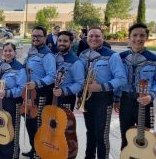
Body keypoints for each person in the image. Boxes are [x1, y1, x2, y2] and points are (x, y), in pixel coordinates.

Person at [79, 27, 126, 159]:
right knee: (90, 133)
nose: (94, 39)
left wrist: (101, 87)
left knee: (101, 135)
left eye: (97, 36)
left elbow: (121, 79)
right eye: (91, 36)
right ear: (86, 38)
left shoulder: (112, 55)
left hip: (103, 99)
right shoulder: (83, 55)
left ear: (103, 38)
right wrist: (79, 96)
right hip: (87, 99)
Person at [116, 23, 155, 150]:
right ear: (129, 37)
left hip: (145, 101)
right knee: (125, 136)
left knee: (147, 138)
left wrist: (151, 96)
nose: (138, 38)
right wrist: (116, 99)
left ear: (147, 38)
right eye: (135, 35)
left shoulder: (153, 59)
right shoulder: (120, 58)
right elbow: (116, 79)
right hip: (125, 100)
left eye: (142, 35)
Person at [22, 26, 56, 158]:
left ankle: (39, 153)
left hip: (41, 93)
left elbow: (51, 75)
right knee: (29, 123)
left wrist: (36, 83)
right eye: (34, 36)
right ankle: (34, 148)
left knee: (38, 125)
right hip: (29, 94)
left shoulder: (48, 55)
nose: (35, 38)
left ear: (45, 37)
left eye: (39, 36)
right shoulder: (32, 52)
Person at [0, 42, 26, 159]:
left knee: (12, 128)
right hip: (0, 101)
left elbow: (22, 88)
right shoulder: (0, 65)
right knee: (1, 125)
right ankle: (2, 153)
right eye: (5, 51)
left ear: (15, 52)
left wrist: (7, 93)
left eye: (10, 51)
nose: (7, 53)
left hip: (13, 102)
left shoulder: (19, 67)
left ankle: (12, 155)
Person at [53, 31, 84, 111]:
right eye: (59, 41)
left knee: (65, 123)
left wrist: (63, 91)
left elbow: (80, 84)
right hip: (51, 97)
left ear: (71, 43)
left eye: (65, 41)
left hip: (66, 99)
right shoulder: (54, 57)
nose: (61, 43)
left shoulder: (76, 62)